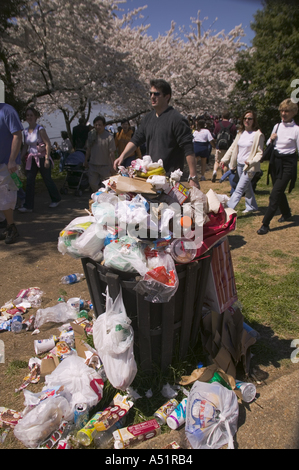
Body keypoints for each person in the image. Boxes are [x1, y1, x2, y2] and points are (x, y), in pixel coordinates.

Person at [113, 79, 199, 188]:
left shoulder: (177, 120)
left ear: (167, 97)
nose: (152, 97)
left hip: (170, 179)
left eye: (156, 94)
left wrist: (193, 176)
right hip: (150, 177)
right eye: (151, 94)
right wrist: (122, 157)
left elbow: (188, 149)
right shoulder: (148, 119)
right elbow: (136, 140)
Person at [257, 99, 299, 235]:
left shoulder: (296, 130)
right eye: (282, 110)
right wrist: (271, 138)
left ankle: (265, 223)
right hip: (275, 162)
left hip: (288, 164)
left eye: (286, 111)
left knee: (275, 194)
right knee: (278, 190)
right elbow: (270, 144)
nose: (283, 113)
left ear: (293, 112)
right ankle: (286, 213)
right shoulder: (277, 126)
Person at [221, 110, 265, 213]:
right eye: (245, 118)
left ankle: (227, 211)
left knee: (239, 189)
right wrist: (224, 159)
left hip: (249, 167)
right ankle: (252, 206)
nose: (247, 120)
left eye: (250, 118)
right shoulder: (240, 133)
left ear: (254, 120)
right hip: (239, 165)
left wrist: (251, 162)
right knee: (247, 187)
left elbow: (260, 153)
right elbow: (233, 147)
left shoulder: (258, 135)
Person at [19, 107, 61, 213]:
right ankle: (28, 206)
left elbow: (48, 144)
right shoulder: (25, 131)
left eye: (31, 115)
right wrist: (19, 158)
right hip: (32, 157)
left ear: (35, 117)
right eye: (27, 115)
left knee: (47, 179)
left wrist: (47, 158)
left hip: (42, 157)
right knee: (30, 181)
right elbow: (25, 146)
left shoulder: (40, 129)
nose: (29, 117)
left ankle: (56, 198)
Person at [0, 103, 23, 244]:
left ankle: (11, 227)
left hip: (7, 163)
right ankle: (4, 225)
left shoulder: (7, 110)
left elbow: (17, 135)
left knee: (7, 195)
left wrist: (12, 160)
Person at [84, 115, 116, 193]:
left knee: (108, 185)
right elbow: (88, 149)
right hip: (93, 164)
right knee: (92, 183)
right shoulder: (91, 135)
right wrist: (85, 160)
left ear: (104, 125)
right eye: (96, 125)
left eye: (100, 125)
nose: (98, 127)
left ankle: (106, 197)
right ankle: (98, 195)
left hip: (105, 165)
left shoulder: (109, 137)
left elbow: (112, 153)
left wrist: (113, 166)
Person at [212, 110, 237, 182]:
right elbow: (234, 137)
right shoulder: (232, 126)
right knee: (225, 163)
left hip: (219, 147)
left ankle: (215, 171)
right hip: (228, 147)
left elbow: (214, 136)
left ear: (222, 116)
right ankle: (225, 175)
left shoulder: (218, 125)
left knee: (217, 161)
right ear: (229, 117)